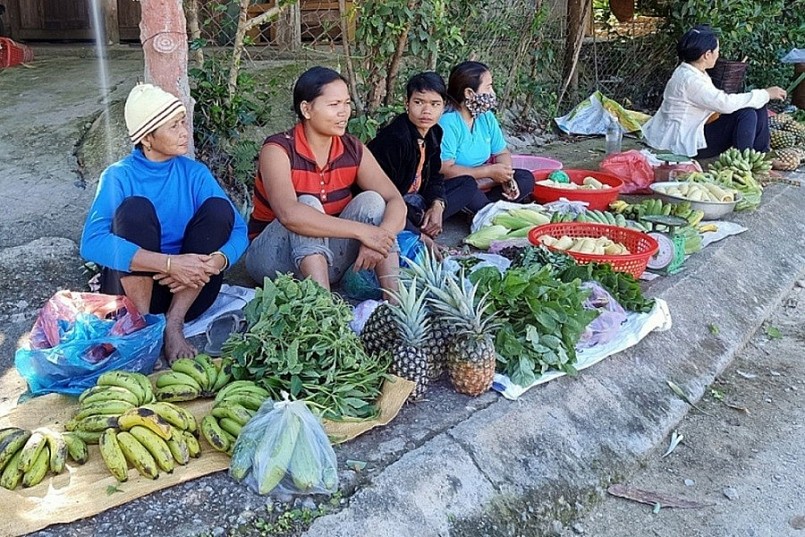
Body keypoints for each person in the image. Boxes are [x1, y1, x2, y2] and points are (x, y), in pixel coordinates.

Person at [80, 83, 248, 363]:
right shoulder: (118, 176)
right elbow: (92, 242)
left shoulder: (195, 173)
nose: (184, 132)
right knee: (135, 209)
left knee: (218, 210)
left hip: (191, 291)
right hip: (133, 293)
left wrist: (213, 263)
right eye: (174, 126)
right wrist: (169, 265)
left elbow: (239, 230)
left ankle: (174, 325)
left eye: (183, 122)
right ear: (147, 138)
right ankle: (142, 329)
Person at [245, 66, 406, 298]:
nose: (344, 112)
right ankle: (324, 309)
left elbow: (395, 200)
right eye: (334, 104)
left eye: (347, 103)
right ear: (306, 109)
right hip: (273, 261)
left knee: (373, 200)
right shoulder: (278, 149)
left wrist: (380, 236)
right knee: (306, 205)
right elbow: (289, 214)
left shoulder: (352, 148)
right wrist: (364, 232)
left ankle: (395, 302)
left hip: (330, 258)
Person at [368, 72, 476, 253]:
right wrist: (421, 235)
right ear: (407, 104)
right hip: (394, 203)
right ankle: (418, 229)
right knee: (401, 211)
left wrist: (437, 205)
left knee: (467, 184)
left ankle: (426, 221)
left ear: (443, 106)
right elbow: (386, 196)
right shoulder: (396, 138)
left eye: (435, 104)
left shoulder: (435, 132)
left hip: (418, 198)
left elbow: (435, 175)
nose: (427, 111)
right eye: (418, 102)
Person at [642, 25, 787, 158]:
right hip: (680, 144)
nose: (718, 54)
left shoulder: (692, 71)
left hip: (692, 130)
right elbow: (725, 104)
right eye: (717, 51)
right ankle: (744, 163)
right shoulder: (690, 80)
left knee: (758, 105)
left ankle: (761, 157)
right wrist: (766, 93)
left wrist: (763, 96)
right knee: (746, 113)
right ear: (707, 54)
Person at [438, 61, 533, 213]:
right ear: (469, 93)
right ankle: (485, 210)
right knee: (467, 187)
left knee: (525, 178)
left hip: (486, 181)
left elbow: (502, 153)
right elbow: (446, 170)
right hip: (460, 182)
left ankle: (484, 210)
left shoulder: (486, 117)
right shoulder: (448, 122)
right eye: (488, 87)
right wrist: (488, 172)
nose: (492, 93)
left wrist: (506, 177)